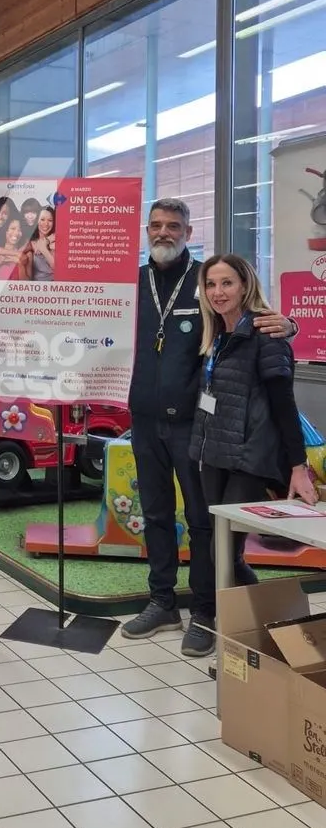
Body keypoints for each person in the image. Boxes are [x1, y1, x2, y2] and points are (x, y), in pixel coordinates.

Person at [121, 199, 296, 657]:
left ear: (187, 230)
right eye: (155, 225)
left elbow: (248, 320)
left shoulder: (203, 283)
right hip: (143, 420)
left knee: (201, 521)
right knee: (155, 515)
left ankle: (203, 611)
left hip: (194, 427)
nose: (163, 233)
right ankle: (161, 600)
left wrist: (287, 324)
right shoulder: (132, 284)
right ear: (146, 230)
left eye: (173, 226)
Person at [190, 254, 317, 576]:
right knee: (220, 550)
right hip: (216, 453)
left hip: (249, 459)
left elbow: (285, 406)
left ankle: (255, 620)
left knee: (225, 552)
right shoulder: (216, 335)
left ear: (245, 285)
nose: (218, 292)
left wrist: (298, 466)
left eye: (227, 283)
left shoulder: (265, 334)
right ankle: (242, 619)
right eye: (211, 284)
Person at [19, 205, 55, 281]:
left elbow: (58, 269)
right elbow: (16, 252)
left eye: (50, 220)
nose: (46, 224)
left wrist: (43, 248)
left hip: (53, 287)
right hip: (36, 287)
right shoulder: (32, 242)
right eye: (42, 219)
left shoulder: (55, 241)